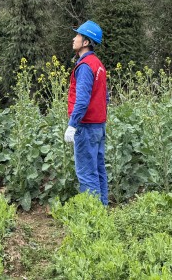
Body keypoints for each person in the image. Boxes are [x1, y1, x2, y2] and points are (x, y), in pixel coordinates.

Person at [64, 20, 109, 205]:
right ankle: (102, 209)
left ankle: (92, 218)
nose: (74, 38)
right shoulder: (98, 64)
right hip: (98, 126)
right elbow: (105, 98)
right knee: (98, 171)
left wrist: (73, 125)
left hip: (86, 127)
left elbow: (82, 101)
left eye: (78, 35)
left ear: (85, 42)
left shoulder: (84, 67)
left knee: (86, 173)